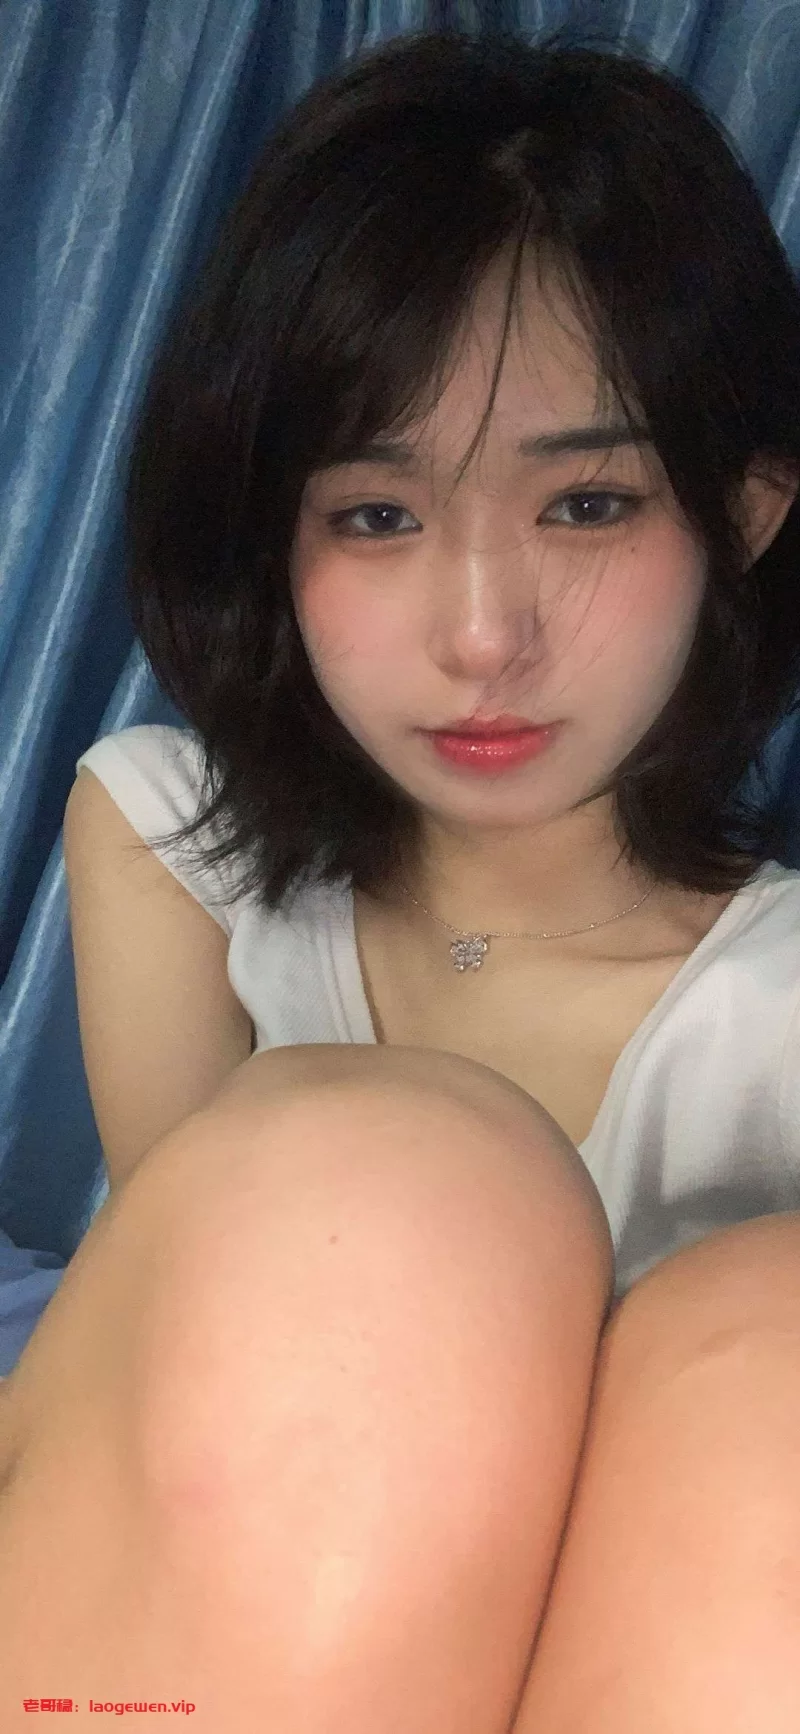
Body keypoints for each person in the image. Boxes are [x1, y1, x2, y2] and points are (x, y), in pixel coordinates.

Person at [2, 22, 800, 1730]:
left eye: (588, 504)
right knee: (382, 1205)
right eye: (376, 515)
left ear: (743, 515)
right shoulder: (176, 851)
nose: (483, 634)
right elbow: (198, 1414)